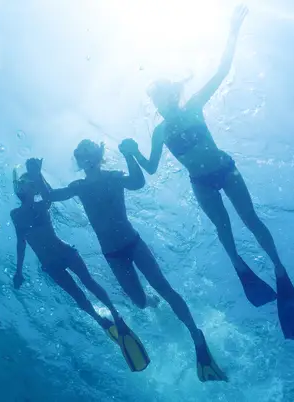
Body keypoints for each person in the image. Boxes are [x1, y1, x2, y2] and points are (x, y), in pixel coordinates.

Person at [119, 5, 294, 340]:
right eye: (155, 101)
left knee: (250, 219)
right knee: (223, 228)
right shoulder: (159, 132)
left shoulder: (195, 105)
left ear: (173, 95)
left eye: (162, 97)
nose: (159, 104)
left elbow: (223, 69)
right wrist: (133, 152)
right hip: (201, 183)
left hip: (225, 169)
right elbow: (151, 169)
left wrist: (232, 33)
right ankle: (239, 266)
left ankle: (280, 269)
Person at [28, 142, 226, 382]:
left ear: (98, 155)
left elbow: (137, 183)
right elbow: (50, 196)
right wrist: (37, 174)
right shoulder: (78, 186)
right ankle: (152, 303)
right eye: (81, 154)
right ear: (79, 160)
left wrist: (129, 155)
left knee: (163, 286)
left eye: (89, 151)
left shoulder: (113, 176)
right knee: (140, 302)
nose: (86, 157)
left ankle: (196, 336)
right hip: (113, 254)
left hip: (133, 243)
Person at [10, 162, 149, 372]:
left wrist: (38, 174)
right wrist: (18, 271)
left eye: (31, 184)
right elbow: (21, 243)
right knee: (78, 296)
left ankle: (116, 316)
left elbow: (49, 196)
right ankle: (101, 320)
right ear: (20, 188)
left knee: (89, 283)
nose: (30, 187)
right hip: (49, 264)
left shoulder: (41, 205)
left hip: (66, 252)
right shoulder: (16, 215)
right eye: (26, 183)